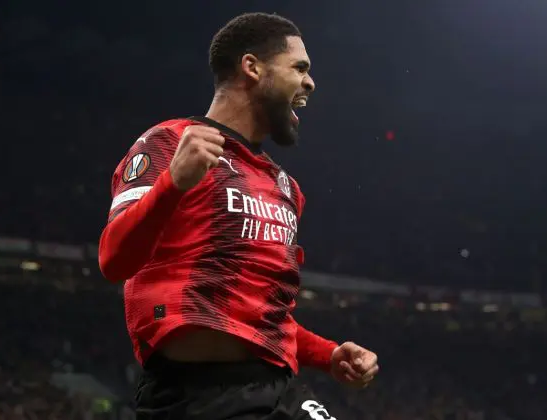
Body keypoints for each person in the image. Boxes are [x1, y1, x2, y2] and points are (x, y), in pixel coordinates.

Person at [98, 12, 379, 419]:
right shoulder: (170, 142)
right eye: (300, 68)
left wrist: (329, 353)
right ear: (252, 67)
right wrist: (173, 183)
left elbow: (259, 315)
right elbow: (113, 260)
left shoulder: (284, 186)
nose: (310, 82)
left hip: (277, 389)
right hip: (194, 397)